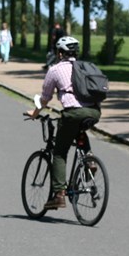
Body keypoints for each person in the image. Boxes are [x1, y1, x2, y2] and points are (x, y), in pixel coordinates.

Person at [25, 35, 102, 210]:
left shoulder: (55, 70)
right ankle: (89, 161)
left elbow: (45, 99)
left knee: (59, 152)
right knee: (80, 131)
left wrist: (34, 113)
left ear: (60, 53)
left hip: (73, 113)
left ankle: (59, 195)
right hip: (94, 112)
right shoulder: (86, 67)